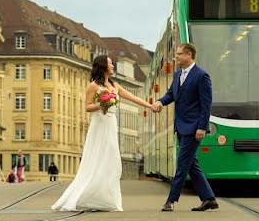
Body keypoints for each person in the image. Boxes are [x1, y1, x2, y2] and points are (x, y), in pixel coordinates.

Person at [52, 55, 156, 211]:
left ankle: (105, 199)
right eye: (110, 64)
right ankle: (85, 195)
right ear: (103, 66)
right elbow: (87, 107)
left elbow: (133, 97)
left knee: (111, 160)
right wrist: (101, 104)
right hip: (99, 124)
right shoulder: (93, 86)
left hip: (111, 123)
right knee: (97, 159)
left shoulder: (114, 85)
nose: (113, 66)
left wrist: (150, 106)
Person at [152, 43, 217, 212]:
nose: (176, 57)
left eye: (179, 54)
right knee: (191, 164)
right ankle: (209, 199)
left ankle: (170, 201)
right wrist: (160, 102)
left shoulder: (202, 76)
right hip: (180, 126)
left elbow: (206, 105)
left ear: (189, 55)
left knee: (182, 164)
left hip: (194, 128)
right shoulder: (177, 74)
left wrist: (202, 127)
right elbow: (171, 94)